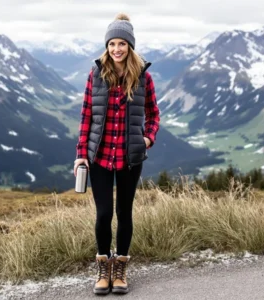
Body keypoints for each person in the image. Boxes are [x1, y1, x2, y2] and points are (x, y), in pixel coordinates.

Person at [74, 12, 160, 295]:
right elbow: (86, 116)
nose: (117, 49)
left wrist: (147, 139)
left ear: (130, 46)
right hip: (98, 156)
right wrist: (80, 153)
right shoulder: (96, 75)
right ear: (107, 46)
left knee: (125, 213)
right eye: (112, 44)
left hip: (129, 158)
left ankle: (120, 268)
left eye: (122, 43)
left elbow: (153, 115)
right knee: (103, 214)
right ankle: (103, 267)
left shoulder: (143, 78)